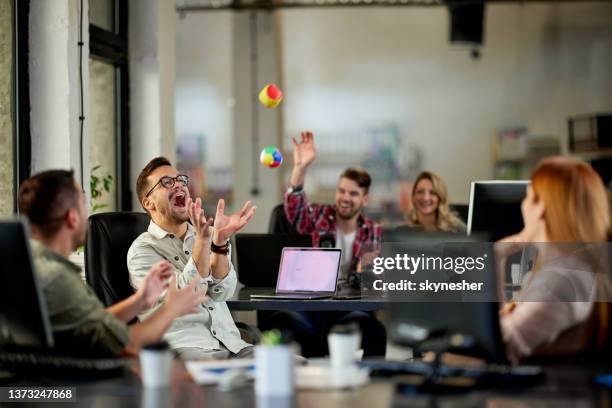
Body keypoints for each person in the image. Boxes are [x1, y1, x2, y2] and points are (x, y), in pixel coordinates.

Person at [18, 170, 206, 357]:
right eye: (84, 205)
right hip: (73, 383)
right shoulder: (58, 278)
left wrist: (139, 301)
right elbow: (126, 343)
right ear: (72, 218)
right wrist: (172, 309)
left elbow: (93, 322)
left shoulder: (32, 267)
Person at [260, 131, 386, 358]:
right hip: (311, 305)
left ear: (365, 199)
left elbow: (376, 284)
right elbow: (294, 209)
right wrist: (301, 167)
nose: (345, 198)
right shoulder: (318, 216)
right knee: (281, 323)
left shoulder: (373, 230)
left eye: (353, 193)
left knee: (374, 330)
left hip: (347, 308)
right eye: (342, 191)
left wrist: (368, 274)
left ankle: (372, 387)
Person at [128, 157, 257, 360]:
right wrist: (204, 242)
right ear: (148, 202)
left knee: (294, 366)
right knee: (220, 381)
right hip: (185, 349)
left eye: (180, 179)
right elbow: (187, 296)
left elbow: (223, 292)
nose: (178, 184)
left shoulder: (209, 234)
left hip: (232, 345)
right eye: (166, 182)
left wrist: (220, 242)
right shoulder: (142, 251)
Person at [496, 157, 611, 363]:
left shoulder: (564, 280)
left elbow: (499, 348)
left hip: (535, 393)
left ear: (540, 207)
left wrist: (493, 261)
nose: (523, 205)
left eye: (528, 197)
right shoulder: (571, 269)